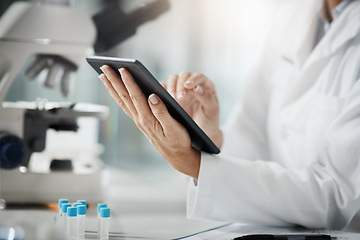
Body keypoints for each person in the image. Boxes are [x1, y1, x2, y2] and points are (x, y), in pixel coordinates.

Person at [98, 0, 360, 230]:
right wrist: (208, 137)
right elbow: (253, 134)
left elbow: (335, 197)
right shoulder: (292, 16)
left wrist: (192, 162)